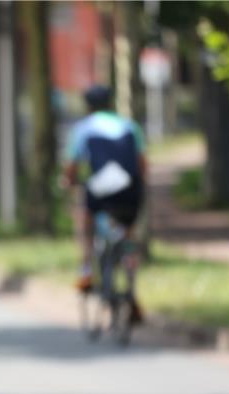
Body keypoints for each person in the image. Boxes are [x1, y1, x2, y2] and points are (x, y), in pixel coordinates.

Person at [62, 84, 147, 322]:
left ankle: (87, 270)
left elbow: (71, 168)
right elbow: (142, 165)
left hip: (101, 189)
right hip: (131, 189)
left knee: (84, 218)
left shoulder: (83, 129)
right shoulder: (130, 126)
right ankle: (131, 289)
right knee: (128, 235)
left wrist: (68, 184)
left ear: (87, 106)